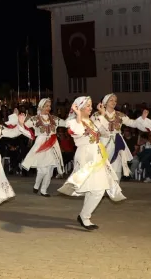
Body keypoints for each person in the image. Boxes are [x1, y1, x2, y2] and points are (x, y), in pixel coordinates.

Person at [58, 96, 125, 230]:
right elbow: (76, 132)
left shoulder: (90, 120)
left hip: (97, 155)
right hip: (86, 156)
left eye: (90, 105)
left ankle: (84, 216)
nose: (90, 108)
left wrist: (102, 115)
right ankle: (84, 217)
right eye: (88, 106)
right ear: (80, 107)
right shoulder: (72, 122)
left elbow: (104, 131)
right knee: (96, 189)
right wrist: (78, 116)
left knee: (95, 189)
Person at [93, 94, 151, 181]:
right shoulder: (97, 115)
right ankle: (102, 190)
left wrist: (142, 118)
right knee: (102, 167)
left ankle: (114, 192)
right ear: (105, 102)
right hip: (103, 143)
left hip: (117, 143)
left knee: (117, 167)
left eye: (115, 100)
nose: (114, 102)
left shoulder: (120, 115)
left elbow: (132, 123)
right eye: (111, 100)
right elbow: (91, 128)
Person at [20, 98, 66, 196]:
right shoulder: (35, 118)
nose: (48, 108)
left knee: (49, 170)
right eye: (46, 106)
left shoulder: (54, 118)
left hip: (53, 145)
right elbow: (23, 126)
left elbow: (66, 123)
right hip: (41, 144)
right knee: (42, 170)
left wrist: (75, 116)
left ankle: (44, 190)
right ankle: (37, 185)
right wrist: (21, 121)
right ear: (41, 107)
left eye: (49, 106)